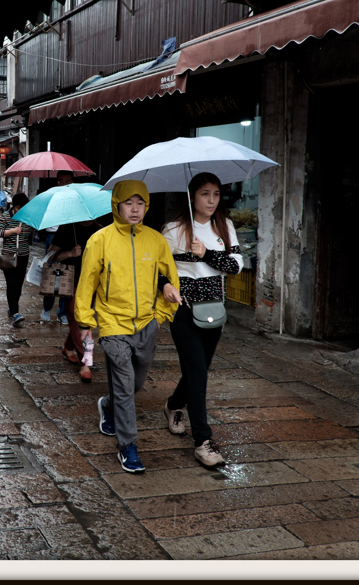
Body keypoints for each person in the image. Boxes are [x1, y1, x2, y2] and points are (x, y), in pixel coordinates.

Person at [74, 180, 182, 474]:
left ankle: (107, 405)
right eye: (128, 203)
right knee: (124, 385)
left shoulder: (156, 240)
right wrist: (86, 321)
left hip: (147, 324)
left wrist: (160, 317)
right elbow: (87, 283)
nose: (135, 210)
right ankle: (128, 446)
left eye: (140, 203)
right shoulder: (100, 240)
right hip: (112, 324)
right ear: (116, 206)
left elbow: (168, 278)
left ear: (147, 206)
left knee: (135, 385)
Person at [158, 172, 242, 468]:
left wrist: (207, 254)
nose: (211, 200)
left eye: (216, 194)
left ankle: (172, 405)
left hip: (214, 309)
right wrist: (165, 285)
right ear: (192, 196)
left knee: (199, 369)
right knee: (198, 372)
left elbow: (235, 266)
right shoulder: (172, 230)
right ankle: (203, 441)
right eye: (205, 194)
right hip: (182, 310)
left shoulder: (226, 227)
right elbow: (157, 268)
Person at [47, 218, 103, 382]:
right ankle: (85, 363)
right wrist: (70, 253)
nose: (87, 221)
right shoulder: (66, 229)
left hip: (92, 284)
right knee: (78, 319)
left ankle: (68, 347)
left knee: (79, 319)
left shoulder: (101, 231)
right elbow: (50, 255)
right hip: (70, 282)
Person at [40, 170, 76, 325]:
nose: (63, 184)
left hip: (68, 237)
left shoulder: (75, 199)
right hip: (52, 236)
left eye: (67, 181)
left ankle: (62, 312)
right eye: (60, 180)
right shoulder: (51, 197)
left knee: (66, 275)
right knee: (51, 272)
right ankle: (47, 308)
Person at [0, 192, 34, 327]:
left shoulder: (28, 218)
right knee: (11, 284)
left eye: (23, 208)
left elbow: (30, 235)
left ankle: (12, 307)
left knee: (18, 285)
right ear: (14, 206)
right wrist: (12, 231)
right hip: (9, 256)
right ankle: (16, 313)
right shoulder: (6, 217)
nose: (20, 211)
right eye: (18, 208)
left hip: (23, 255)